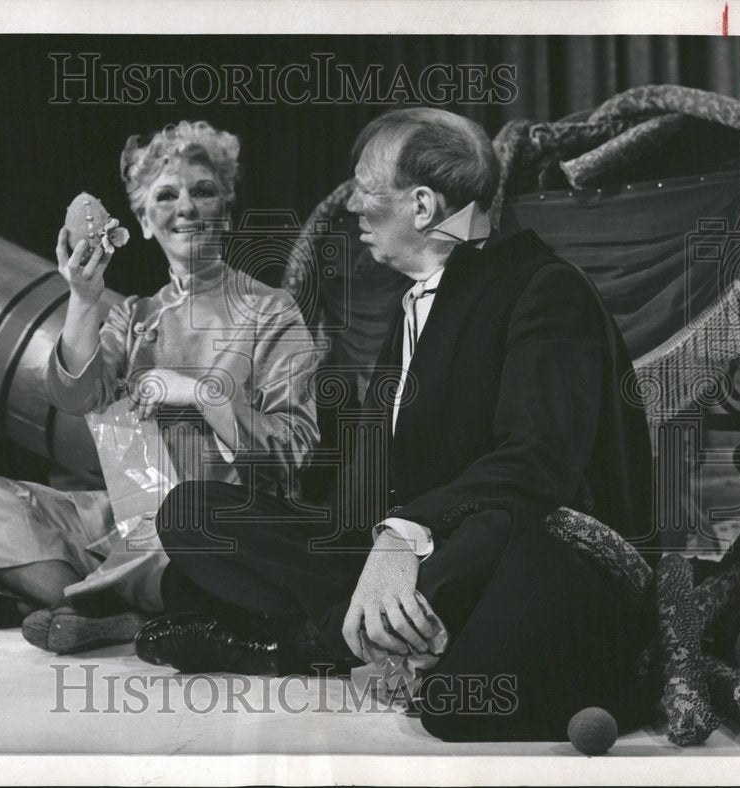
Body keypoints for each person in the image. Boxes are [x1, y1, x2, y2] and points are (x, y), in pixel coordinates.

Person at [134, 108, 658, 742]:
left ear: (421, 205)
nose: (353, 204)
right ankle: (362, 631)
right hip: (415, 552)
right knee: (193, 514)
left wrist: (403, 535)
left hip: (512, 547)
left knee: (455, 694)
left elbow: (538, 463)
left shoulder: (544, 287)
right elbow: (369, 486)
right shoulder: (414, 301)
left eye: (366, 189)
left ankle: (295, 642)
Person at [0, 120, 319, 653]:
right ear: (141, 220)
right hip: (127, 524)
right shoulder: (132, 315)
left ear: (225, 211)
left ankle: (61, 597)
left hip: (214, 528)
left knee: (184, 532)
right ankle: (119, 610)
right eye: (166, 195)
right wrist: (83, 299)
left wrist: (198, 393)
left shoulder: (271, 309)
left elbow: (294, 452)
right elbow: (73, 395)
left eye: (203, 191)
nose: (185, 207)